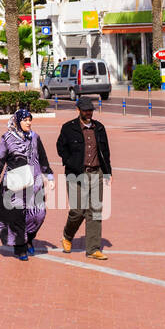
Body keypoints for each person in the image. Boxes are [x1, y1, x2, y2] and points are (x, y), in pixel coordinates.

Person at [0, 108, 54, 260]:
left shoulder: (35, 137)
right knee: (17, 217)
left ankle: (29, 240)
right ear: (17, 121)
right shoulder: (7, 138)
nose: (28, 123)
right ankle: (20, 248)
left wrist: (49, 176)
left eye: (30, 120)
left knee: (39, 215)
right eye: (25, 120)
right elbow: (0, 158)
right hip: (14, 183)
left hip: (35, 182)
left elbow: (43, 157)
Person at [57, 96, 112, 260]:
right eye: (86, 110)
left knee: (95, 212)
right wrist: (69, 162)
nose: (89, 113)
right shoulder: (68, 128)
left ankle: (93, 249)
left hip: (97, 173)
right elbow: (61, 147)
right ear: (78, 110)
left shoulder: (99, 128)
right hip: (76, 174)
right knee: (77, 210)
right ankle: (67, 235)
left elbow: (105, 152)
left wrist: (108, 172)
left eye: (91, 110)